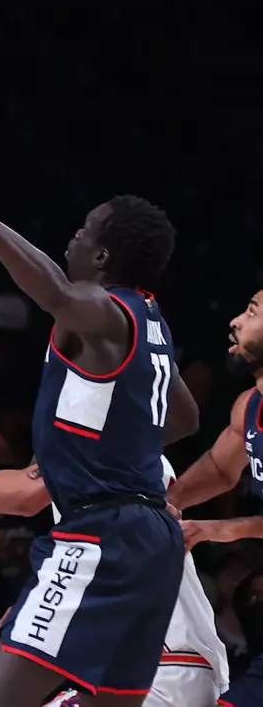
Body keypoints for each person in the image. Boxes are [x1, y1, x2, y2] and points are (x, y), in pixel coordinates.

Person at [0, 144, 197, 707]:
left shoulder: (106, 311)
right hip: (151, 541)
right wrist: (105, 449)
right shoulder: (150, 321)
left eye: (86, 230)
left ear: (104, 257)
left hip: (101, 535)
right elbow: (184, 416)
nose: (74, 236)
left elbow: (56, 293)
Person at [0, 441, 228, 707]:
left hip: (164, 669)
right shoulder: (111, 476)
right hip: (156, 669)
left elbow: (23, 492)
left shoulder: (102, 443)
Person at [164, 289, 263, 706]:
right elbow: (222, 468)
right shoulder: (250, 405)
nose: (236, 320)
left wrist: (217, 529)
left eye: (253, 311)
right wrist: (162, 502)